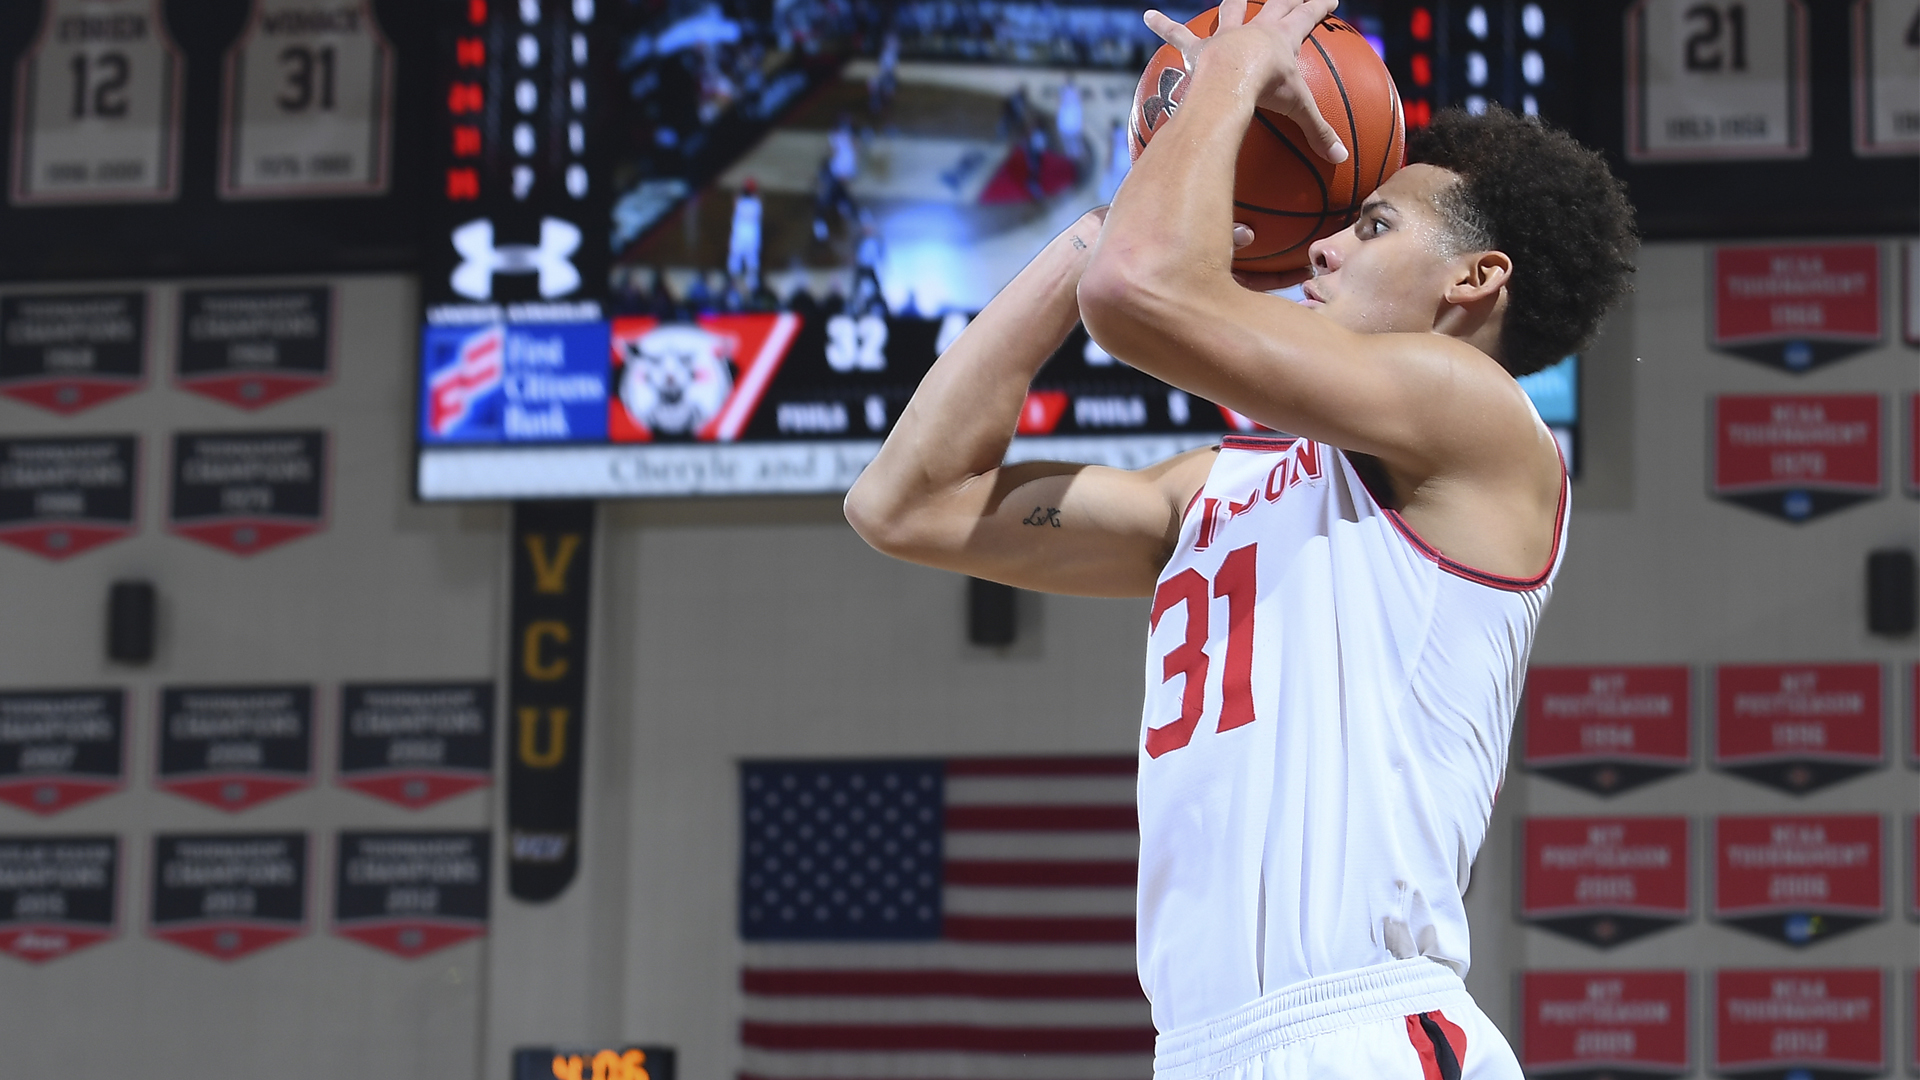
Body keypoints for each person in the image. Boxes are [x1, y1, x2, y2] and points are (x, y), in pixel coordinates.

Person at [843, 0, 1637, 1077]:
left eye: (1372, 227)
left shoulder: (1480, 415)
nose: (1320, 246)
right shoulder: (1220, 490)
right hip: (1205, 1048)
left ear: (1475, 279)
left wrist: (1239, 67)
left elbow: (1139, 292)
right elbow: (905, 502)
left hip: (1362, 1031)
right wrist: (1100, 224)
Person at [727, 178, 764, 292]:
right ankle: (752, 287)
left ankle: (733, 285)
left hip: (740, 234)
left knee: (735, 258)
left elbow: (736, 200)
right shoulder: (757, 204)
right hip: (752, 235)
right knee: (751, 260)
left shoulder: (740, 202)